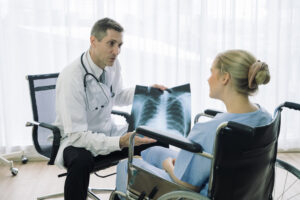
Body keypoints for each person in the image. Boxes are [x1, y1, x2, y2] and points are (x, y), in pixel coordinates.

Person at [115, 49, 273, 197]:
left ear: (225, 78)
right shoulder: (264, 117)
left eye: (212, 72)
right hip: (240, 189)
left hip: (196, 194)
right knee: (153, 151)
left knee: (126, 165)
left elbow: (187, 184)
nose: (208, 78)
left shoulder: (211, 129)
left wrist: (168, 165)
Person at [54, 18, 166, 200]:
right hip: (75, 140)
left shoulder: (112, 65)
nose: (117, 51)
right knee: (81, 161)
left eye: (120, 45)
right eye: (111, 44)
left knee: (155, 140)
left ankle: (145, 195)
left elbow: (118, 95)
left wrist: (146, 92)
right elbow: (77, 135)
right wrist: (120, 142)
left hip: (107, 133)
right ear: (93, 41)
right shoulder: (72, 77)